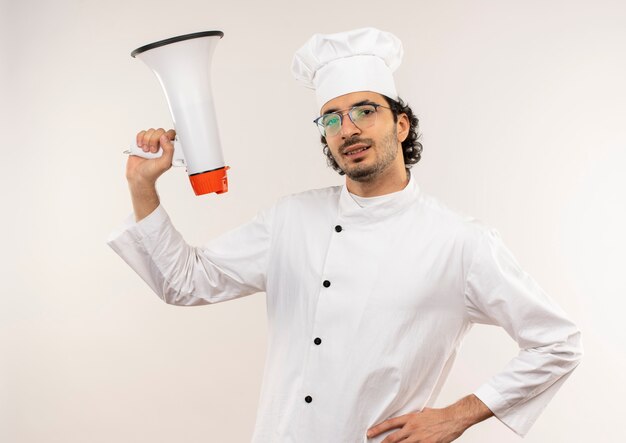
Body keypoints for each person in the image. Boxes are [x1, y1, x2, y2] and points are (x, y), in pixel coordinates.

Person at [109, 28, 582, 442]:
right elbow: (184, 282)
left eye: (364, 110)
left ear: (401, 124)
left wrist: (455, 417)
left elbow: (557, 342)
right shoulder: (290, 219)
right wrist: (141, 184)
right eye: (331, 118)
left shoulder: (459, 242)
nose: (348, 129)